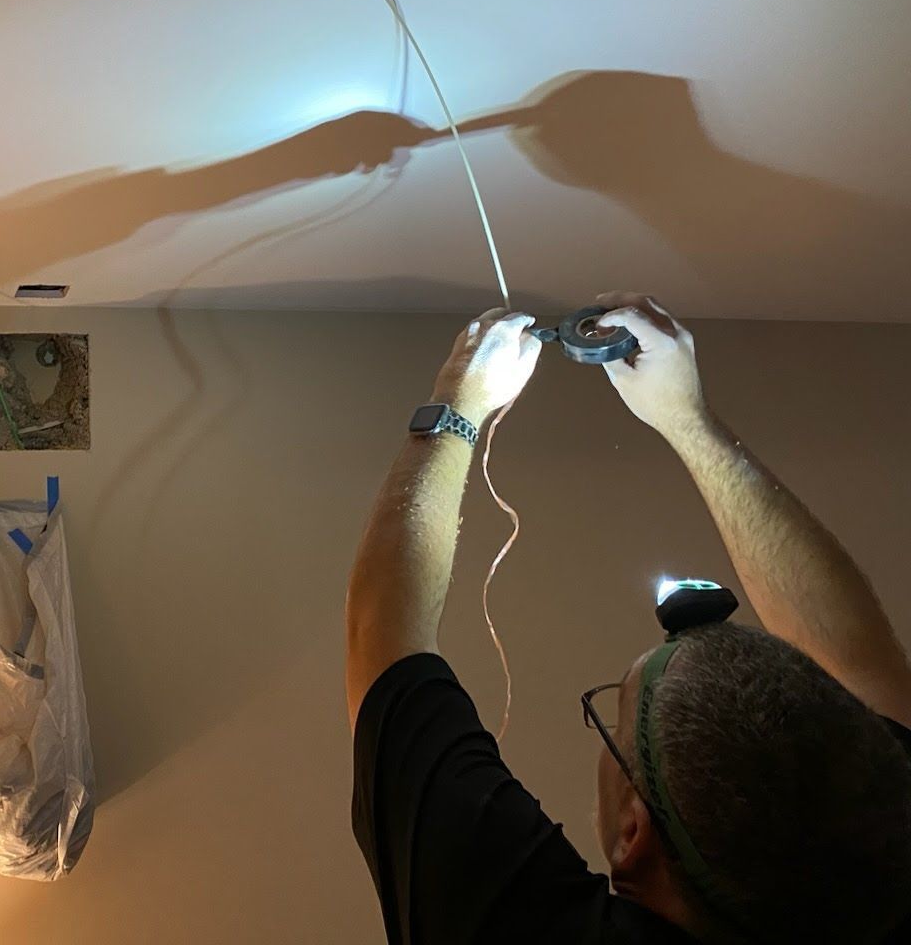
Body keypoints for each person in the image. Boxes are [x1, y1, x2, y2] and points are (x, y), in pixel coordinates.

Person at [345, 292, 911, 944]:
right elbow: (860, 661)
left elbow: (381, 636)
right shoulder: (879, 829)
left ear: (634, 831)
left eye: (612, 717)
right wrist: (686, 418)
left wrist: (457, 402)